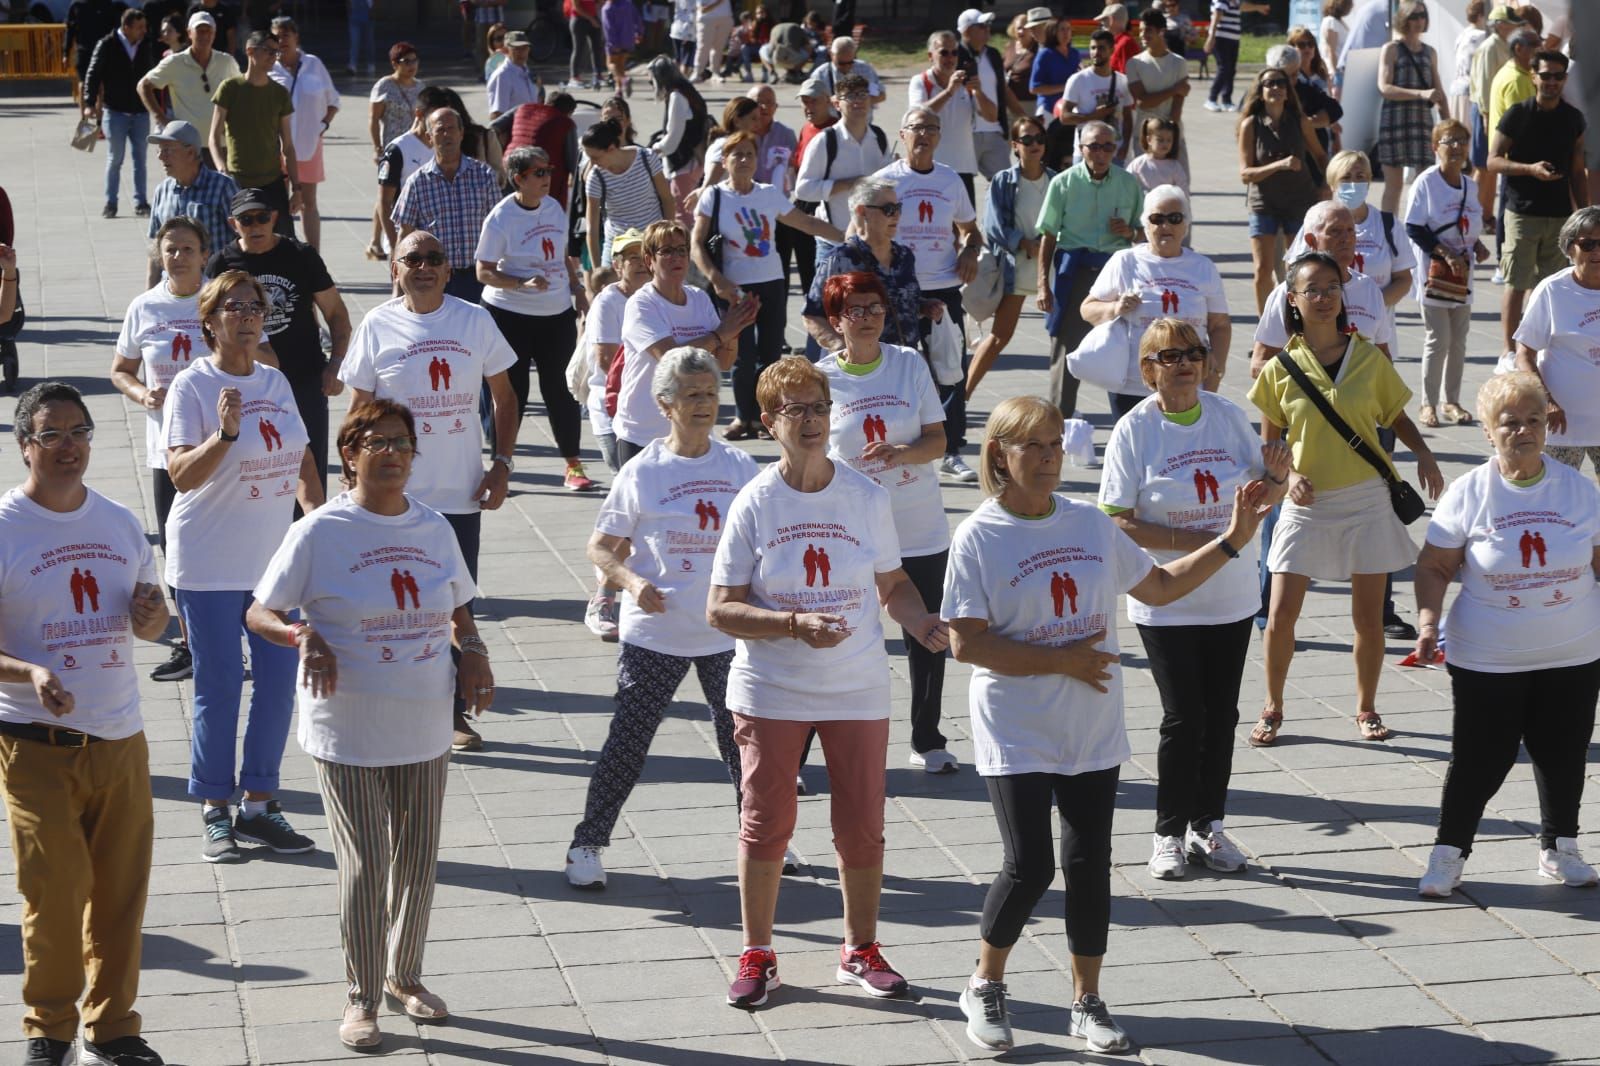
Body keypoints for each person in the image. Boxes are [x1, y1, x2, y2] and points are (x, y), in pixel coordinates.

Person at [944, 394, 1265, 1056]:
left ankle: (1087, 1002)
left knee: (1088, 865)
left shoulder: (1089, 524)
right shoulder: (980, 535)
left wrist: (1232, 540)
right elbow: (966, 643)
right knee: (1030, 865)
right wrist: (1060, 659)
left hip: (1091, 724)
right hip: (1017, 724)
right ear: (999, 455)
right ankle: (984, 982)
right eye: (1031, 446)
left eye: (1055, 444)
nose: (1047, 458)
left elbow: (1161, 588)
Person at [247, 399, 487, 1051]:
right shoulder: (320, 531)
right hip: (347, 726)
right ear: (349, 455)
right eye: (375, 442)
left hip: (424, 722)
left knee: (415, 860)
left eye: (402, 443)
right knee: (366, 863)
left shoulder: (434, 527)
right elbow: (259, 611)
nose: (391, 453)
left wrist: (476, 654)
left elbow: (459, 606)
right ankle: (362, 997)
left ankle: (406, 976)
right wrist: (301, 636)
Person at [708, 355, 947, 1011]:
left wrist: (922, 621)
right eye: (795, 410)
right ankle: (758, 952)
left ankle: (859, 949)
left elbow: (892, 584)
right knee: (766, 823)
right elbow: (720, 607)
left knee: (863, 825)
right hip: (772, 687)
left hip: (857, 685)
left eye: (818, 407)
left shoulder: (867, 497)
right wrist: (789, 623)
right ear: (769, 422)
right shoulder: (754, 502)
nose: (810, 421)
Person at [0, 381, 171, 1066]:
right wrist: (30, 675)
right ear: (24, 447)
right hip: (33, 743)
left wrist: (153, 619)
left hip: (120, 737)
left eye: (79, 431)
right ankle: (49, 1028)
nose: (69, 446)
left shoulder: (121, 523)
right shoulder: (6, 527)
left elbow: (151, 618)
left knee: (122, 893)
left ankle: (115, 1026)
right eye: (52, 434)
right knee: (55, 890)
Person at [1097, 318, 1289, 882]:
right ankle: (1167, 834)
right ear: (1147, 369)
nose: (1184, 363)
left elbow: (1260, 498)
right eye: (1169, 355)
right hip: (1168, 597)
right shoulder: (1135, 430)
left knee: (1221, 715)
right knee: (1184, 718)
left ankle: (1209, 824)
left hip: (1230, 598)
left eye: (1194, 353)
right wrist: (1198, 541)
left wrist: (1278, 479)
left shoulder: (1228, 416)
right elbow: (1118, 520)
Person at [566, 347, 758, 887]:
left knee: (742, 742)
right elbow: (600, 549)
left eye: (710, 394)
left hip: (724, 632)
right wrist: (631, 582)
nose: (703, 405)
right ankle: (587, 845)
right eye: (692, 395)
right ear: (664, 404)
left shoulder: (740, 467)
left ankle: (764, 836)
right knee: (628, 742)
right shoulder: (643, 471)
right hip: (656, 633)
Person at [1413, 371, 1600, 899]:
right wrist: (1428, 622)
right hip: (1489, 656)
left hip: (1575, 650)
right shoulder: (1469, 493)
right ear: (1488, 432)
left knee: (1564, 754)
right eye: (1510, 423)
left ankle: (1560, 847)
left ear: (1549, 425)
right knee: (1480, 758)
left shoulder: (1579, 491)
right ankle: (1448, 855)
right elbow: (1433, 567)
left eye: (1534, 420)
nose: (1523, 431)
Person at [1246, 252, 1444, 748]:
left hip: (1366, 500)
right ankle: (1272, 706)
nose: (1323, 297)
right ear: (1292, 299)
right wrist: (1286, 479)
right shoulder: (1279, 368)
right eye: (1312, 289)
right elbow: (1271, 448)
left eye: (1332, 287)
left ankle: (1367, 707)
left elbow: (1397, 415)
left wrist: (1424, 454)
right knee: (1280, 612)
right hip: (1306, 502)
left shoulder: (1368, 357)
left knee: (1367, 617)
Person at [163, 269, 324, 864]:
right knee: (220, 686)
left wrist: (318, 524)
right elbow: (181, 475)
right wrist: (225, 435)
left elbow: (303, 461)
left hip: (272, 564)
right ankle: (214, 808)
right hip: (207, 561)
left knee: (281, 687)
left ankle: (260, 804)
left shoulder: (276, 382)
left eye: (254, 306)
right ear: (210, 321)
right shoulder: (192, 386)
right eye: (234, 306)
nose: (248, 315)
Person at [339, 230, 518, 752]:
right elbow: (358, 410)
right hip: (391, 496)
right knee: (390, 603)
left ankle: (454, 715)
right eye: (412, 259)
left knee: (455, 606)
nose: (423, 267)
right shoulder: (377, 325)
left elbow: (504, 396)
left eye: (433, 259)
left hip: (459, 494)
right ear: (395, 268)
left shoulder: (474, 320)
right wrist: (351, 478)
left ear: (447, 269)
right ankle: (389, 704)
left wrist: (502, 463)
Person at [816, 273, 956, 771]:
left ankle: (928, 738)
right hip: (851, 528)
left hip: (918, 524)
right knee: (842, 632)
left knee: (928, 632)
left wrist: (904, 453)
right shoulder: (822, 379)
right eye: (857, 310)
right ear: (836, 321)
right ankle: (825, 744)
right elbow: (814, 455)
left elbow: (939, 442)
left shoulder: (908, 363)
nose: (870, 317)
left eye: (876, 308)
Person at [692, 132, 842, 437]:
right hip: (734, 289)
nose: (744, 160)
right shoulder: (715, 196)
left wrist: (849, 236)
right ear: (725, 161)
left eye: (749, 154)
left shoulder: (768, 193)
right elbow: (696, 243)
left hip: (771, 282)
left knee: (771, 354)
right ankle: (741, 416)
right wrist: (718, 281)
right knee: (740, 355)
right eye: (737, 155)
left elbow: (805, 222)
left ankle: (764, 418)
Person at [113, 217, 208, 684]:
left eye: (187, 249)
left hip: (219, 447)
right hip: (165, 452)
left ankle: (240, 636)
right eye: (170, 249)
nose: (178, 257)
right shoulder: (144, 307)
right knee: (178, 549)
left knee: (230, 545)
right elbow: (120, 369)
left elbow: (260, 357)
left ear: (204, 254)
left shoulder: (220, 300)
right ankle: (193, 645)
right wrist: (141, 394)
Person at [209, 187, 350, 496]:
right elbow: (206, 326)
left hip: (303, 381)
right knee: (255, 470)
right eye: (247, 220)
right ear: (234, 224)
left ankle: (309, 535)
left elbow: (337, 314)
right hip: (248, 387)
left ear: (274, 218)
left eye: (262, 217)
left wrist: (336, 365)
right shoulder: (222, 264)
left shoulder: (301, 256)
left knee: (309, 470)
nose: (256, 225)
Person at [475, 146, 596, 492]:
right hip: (508, 315)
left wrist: (578, 288)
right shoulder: (501, 218)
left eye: (549, 170)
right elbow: (483, 271)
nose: (548, 178)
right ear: (519, 179)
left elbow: (561, 256)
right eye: (539, 173)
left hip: (555, 314)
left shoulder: (554, 208)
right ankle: (501, 467)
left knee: (561, 390)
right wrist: (520, 283)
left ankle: (573, 465)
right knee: (512, 393)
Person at [873, 107, 983, 481]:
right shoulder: (886, 180)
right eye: (916, 128)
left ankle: (952, 450)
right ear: (902, 135)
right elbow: (864, 228)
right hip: (898, 289)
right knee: (894, 368)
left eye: (931, 129)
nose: (924, 135)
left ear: (939, 137)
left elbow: (971, 229)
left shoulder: (951, 180)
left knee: (951, 370)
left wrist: (969, 250)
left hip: (943, 287)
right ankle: (888, 447)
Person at [1082, 185, 1230, 414]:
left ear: (1186, 224)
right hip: (1134, 385)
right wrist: (1115, 308)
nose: (1165, 226)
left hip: (1188, 382)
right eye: (1157, 218)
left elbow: (1219, 326)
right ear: (1145, 224)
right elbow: (1087, 309)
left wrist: (1214, 374)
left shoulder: (1203, 267)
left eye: (1174, 218)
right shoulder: (1125, 261)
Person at [615, 221, 754, 459]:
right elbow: (670, 359)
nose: (676, 257)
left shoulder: (699, 298)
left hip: (691, 434)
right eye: (666, 251)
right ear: (649, 260)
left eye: (681, 250)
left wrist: (735, 329)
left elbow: (722, 363)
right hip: (643, 433)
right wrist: (720, 334)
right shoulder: (641, 304)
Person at [1035, 120, 1144, 421]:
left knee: (1124, 346)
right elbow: (1047, 235)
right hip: (1075, 270)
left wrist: (1130, 232)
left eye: (1108, 146)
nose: (1101, 152)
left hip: (1116, 272)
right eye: (1094, 146)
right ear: (1081, 149)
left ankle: (1131, 421)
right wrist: (1043, 284)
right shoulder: (1063, 183)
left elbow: (1144, 232)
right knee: (1066, 348)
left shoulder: (1128, 183)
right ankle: (1057, 423)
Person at [1490, 49, 1589, 358]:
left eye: (1558, 76)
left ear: (1565, 79)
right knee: (1516, 283)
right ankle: (1508, 354)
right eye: (1545, 75)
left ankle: (1536, 350)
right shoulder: (1518, 114)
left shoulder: (1573, 118)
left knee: (1549, 286)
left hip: (1559, 215)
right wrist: (1528, 169)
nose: (1552, 82)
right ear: (1533, 77)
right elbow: (1491, 161)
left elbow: (1576, 170)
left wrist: (1584, 214)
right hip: (1521, 211)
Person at [1407, 119, 1491, 427]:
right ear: (1435, 148)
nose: (1456, 147)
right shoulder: (1426, 183)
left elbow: (1466, 225)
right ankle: (1427, 403)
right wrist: (1446, 254)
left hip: (1463, 273)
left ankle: (1451, 401)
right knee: (1438, 339)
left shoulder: (1470, 185)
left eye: (1461, 141)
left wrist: (1478, 245)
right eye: (1448, 141)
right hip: (1435, 273)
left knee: (1459, 341)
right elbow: (1414, 227)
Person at [969, 117, 1055, 399]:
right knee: (998, 338)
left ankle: (1061, 404)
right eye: (1027, 140)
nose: (1034, 145)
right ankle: (963, 396)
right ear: (1014, 145)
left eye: (1039, 139)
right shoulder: (1003, 181)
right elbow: (993, 227)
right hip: (1015, 269)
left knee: (1063, 340)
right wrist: (1027, 244)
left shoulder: (1056, 180)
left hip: (1050, 271)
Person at [1512, 207, 1600, 478]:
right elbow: (1524, 353)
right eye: (1588, 244)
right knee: (1558, 502)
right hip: (1563, 427)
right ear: (1569, 248)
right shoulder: (1552, 290)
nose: (1597, 252)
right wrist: (1546, 402)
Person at [803, 178, 928, 359]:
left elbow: (904, 301)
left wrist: (925, 306)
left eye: (898, 208)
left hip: (903, 364)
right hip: (862, 368)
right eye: (888, 210)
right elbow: (812, 315)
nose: (896, 215)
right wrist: (841, 348)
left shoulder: (904, 256)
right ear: (863, 212)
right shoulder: (840, 259)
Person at [393, 107, 503, 303]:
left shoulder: (484, 176)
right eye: (440, 130)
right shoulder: (417, 182)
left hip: (478, 276)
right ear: (429, 138)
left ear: (461, 133)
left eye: (452, 129)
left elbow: (500, 227)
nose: (446, 135)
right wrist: (399, 283)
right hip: (436, 277)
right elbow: (404, 234)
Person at [1238, 66, 1325, 312]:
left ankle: (1293, 322)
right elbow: (1245, 174)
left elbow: (1320, 155)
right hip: (1264, 203)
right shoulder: (1251, 125)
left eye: (1280, 83)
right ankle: (1264, 327)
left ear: (1288, 92)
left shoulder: (1300, 122)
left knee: (1297, 268)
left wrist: (1326, 185)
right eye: (1269, 84)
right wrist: (1280, 164)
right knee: (1262, 270)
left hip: (1299, 201)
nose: (1275, 88)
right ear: (1260, 91)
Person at [208, 30, 299, 241]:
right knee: (239, 241)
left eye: (276, 53)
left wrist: (297, 187)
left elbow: (288, 145)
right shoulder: (230, 88)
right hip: (238, 181)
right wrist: (222, 169)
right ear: (250, 51)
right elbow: (214, 136)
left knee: (283, 242)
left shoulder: (279, 93)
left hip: (272, 180)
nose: (273, 57)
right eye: (268, 51)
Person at [267, 17, 337, 251]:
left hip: (309, 146)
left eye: (286, 35)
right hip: (276, 148)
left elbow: (333, 101)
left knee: (309, 204)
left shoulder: (313, 64)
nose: (282, 40)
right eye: (277, 36)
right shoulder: (268, 68)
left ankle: (314, 258)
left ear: (297, 37)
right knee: (279, 205)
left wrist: (323, 126)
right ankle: (283, 253)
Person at [793, 74, 892, 241]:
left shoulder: (879, 137)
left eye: (863, 94)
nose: (858, 101)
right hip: (835, 241)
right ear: (837, 104)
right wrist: (848, 184)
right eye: (850, 96)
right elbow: (803, 190)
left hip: (873, 238)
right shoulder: (825, 141)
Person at [84, 8, 158, 220]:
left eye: (144, 27)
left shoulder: (146, 44)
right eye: (139, 27)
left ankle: (141, 202)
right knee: (115, 158)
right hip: (115, 111)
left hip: (141, 113)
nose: (144, 31)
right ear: (126, 27)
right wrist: (89, 103)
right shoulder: (107, 44)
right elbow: (93, 73)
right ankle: (111, 203)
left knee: (140, 159)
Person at [144, 120, 238, 285]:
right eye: (159, 150)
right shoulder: (162, 190)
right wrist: (149, 291)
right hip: (173, 290)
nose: (160, 156)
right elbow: (155, 248)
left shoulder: (222, 186)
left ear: (191, 153)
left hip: (215, 287)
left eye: (167, 150)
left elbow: (242, 237)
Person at [138, 11, 240, 165]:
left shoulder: (226, 62)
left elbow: (241, 93)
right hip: (187, 146)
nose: (204, 35)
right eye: (200, 31)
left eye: (208, 31)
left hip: (222, 145)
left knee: (223, 188)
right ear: (189, 33)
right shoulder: (174, 62)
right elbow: (143, 86)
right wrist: (161, 119)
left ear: (214, 34)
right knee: (188, 188)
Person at [1376, 1, 1447, 217]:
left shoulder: (1430, 52)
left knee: (1423, 183)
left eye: (1422, 15)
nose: (1418, 20)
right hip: (1395, 121)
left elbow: (1439, 92)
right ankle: (1388, 235)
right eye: (1413, 16)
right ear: (1403, 19)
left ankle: (1416, 233)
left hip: (1422, 122)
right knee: (1394, 185)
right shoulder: (1392, 49)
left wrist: (1448, 125)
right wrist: (1420, 94)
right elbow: (1384, 87)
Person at [909, 30, 992, 201]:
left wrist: (978, 92)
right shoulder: (921, 81)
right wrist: (949, 91)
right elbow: (919, 115)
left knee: (965, 227)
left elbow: (991, 117)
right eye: (944, 52)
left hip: (963, 169)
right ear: (930, 56)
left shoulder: (965, 82)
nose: (950, 58)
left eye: (954, 52)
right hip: (930, 168)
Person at [582, 119, 674, 272]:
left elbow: (667, 200)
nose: (592, 164)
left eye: (595, 158)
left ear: (611, 149)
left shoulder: (646, 158)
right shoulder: (596, 177)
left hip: (652, 243)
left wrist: (669, 240)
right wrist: (598, 269)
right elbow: (592, 228)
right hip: (617, 248)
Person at [1470, 5, 1524, 229]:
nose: (1515, 28)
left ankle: (1484, 215)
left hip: (1493, 109)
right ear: (1501, 25)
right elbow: (1483, 83)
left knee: (1490, 167)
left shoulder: (1502, 45)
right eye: (1512, 24)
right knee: (1483, 167)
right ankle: (1474, 214)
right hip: (1486, 110)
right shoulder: (1491, 46)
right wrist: (1485, 115)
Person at [958, 7, 1024, 182]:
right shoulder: (954, 55)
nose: (987, 29)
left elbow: (1003, 89)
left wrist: (1023, 115)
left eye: (988, 25)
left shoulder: (993, 54)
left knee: (1005, 184)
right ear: (966, 31)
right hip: (965, 134)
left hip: (994, 130)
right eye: (981, 26)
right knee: (962, 186)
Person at [649, 56, 712, 229]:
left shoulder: (677, 96)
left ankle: (689, 253)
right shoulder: (687, 91)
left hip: (684, 163)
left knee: (682, 216)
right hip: (695, 160)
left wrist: (655, 149)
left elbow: (673, 138)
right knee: (689, 212)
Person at [1058, 29, 1135, 167]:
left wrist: (1125, 147)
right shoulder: (1078, 80)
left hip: (1114, 153)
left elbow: (1128, 118)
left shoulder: (1123, 81)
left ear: (1112, 50)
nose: (1096, 52)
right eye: (1093, 48)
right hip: (1085, 153)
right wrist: (1093, 116)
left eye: (1101, 48)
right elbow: (1064, 117)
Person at [1125, 8, 1190, 164]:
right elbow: (1143, 102)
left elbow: (1177, 106)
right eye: (1140, 30)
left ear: (1161, 31)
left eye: (1148, 30)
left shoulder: (1179, 63)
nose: (1142, 35)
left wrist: (1169, 136)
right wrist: (1174, 89)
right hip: (1144, 136)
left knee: (1178, 186)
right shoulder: (1134, 63)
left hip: (1173, 137)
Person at [804, 36, 886, 108]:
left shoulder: (865, 70)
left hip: (862, 123)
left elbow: (880, 95)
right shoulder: (820, 75)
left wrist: (857, 101)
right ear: (831, 55)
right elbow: (810, 103)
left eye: (850, 62)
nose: (846, 67)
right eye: (841, 63)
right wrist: (831, 101)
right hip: (832, 123)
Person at [1029, 18, 1081, 122]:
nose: (1066, 33)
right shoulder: (1044, 55)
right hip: (1048, 110)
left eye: (1068, 29)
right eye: (1062, 29)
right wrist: (1065, 87)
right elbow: (1034, 88)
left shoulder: (1074, 53)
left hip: (1070, 109)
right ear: (1053, 32)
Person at [1449, 0, 1488, 124]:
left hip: (1456, 89)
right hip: (1470, 90)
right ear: (1481, 16)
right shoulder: (1482, 36)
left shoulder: (1461, 35)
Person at [486, 31, 539, 122]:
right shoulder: (503, 75)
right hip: (512, 132)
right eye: (516, 49)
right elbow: (497, 115)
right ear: (506, 50)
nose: (521, 52)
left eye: (524, 48)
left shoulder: (527, 72)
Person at [1127, 116, 1186, 194]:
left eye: (1169, 140)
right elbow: (1127, 183)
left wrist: (1184, 205)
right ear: (1149, 140)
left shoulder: (1174, 166)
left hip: (1167, 204)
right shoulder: (1138, 163)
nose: (1165, 144)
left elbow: (1183, 190)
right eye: (1160, 140)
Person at [602, 0, 642, 96]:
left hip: (615, 41)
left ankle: (624, 80)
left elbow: (608, 28)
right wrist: (639, 32)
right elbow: (637, 18)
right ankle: (618, 89)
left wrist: (613, 43)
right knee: (620, 65)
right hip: (628, 39)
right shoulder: (628, 4)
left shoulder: (607, 8)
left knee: (610, 63)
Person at [692, 0, 734, 84]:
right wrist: (719, 2)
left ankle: (716, 73)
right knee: (703, 47)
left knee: (718, 48)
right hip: (706, 19)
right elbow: (703, 9)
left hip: (725, 17)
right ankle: (697, 73)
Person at [567, 0, 605, 90]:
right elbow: (577, 7)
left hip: (593, 18)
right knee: (578, 49)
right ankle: (574, 77)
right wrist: (591, 19)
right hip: (578, 20)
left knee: (597, 48)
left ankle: (598, 75)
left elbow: (599, 2)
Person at [1320, 0, 1352, 96]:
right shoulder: (1331, 21)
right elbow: (1331, 50)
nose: (1351, 7)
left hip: (1342, 69)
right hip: (1335, 70)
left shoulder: (1339, 21)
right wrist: (1334, 72)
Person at [1098, 1, 1139, 72]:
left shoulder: (1125, 43)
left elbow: (1126, 77)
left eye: (1104, 20)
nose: (1101, 23)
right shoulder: (1119, 42)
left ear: (1111, 20)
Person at [347, 0, 375, 75]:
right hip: (354, 19)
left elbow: (372, 5)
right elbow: (349, 4)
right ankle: (353, 65)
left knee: (369, 42)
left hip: (367, 18)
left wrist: (371, 14)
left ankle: (370, 63)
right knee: (354, 42)